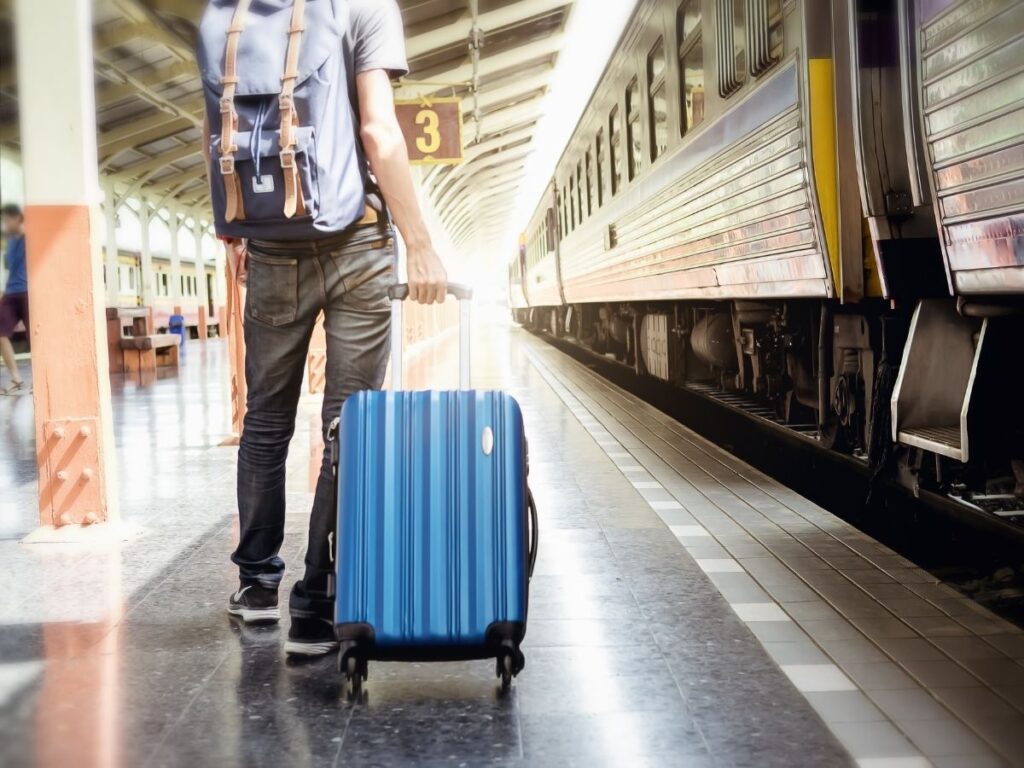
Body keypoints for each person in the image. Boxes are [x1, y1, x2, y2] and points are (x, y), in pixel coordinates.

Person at [210, 0, 448, 656]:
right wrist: (421, 242)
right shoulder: (368, 8)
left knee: (265, 422)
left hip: (272, 247)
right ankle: (317, 600)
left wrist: (240, 226)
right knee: (347, 428)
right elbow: (380, 133)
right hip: (358, 243)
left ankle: (257, 588)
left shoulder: (236, 16)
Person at [0, 204, 28, 396]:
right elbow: (7, 268)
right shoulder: (9, 241)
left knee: (35, 337)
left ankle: (42, 379)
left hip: (29, 291)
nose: (5, 223)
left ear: (17, 218)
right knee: (1, 333)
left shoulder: (30, 237)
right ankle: (16, 378)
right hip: (11, 292)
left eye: (7, 219)